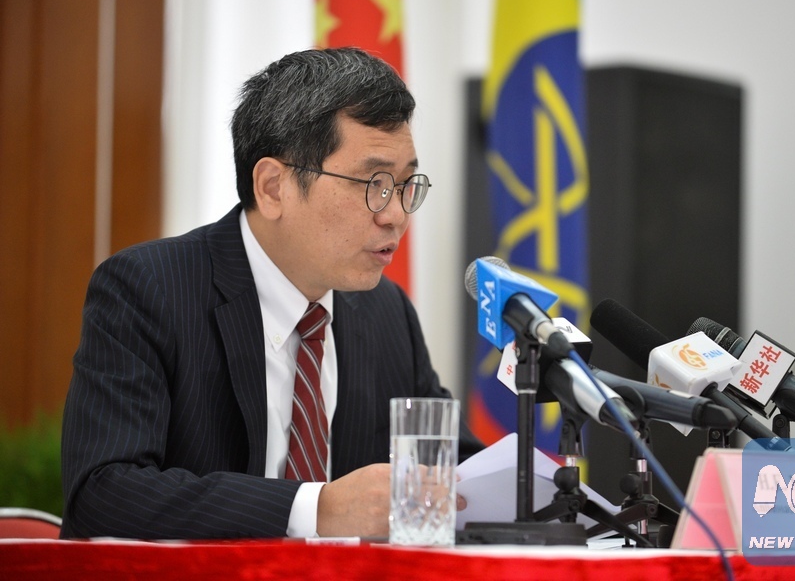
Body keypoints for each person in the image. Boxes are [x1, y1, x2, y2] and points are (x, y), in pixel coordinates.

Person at [60, 47, 483, 539]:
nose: (396, 215)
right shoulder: (149, 289)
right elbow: (104, 491)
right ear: (273, 187)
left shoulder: (385, 311)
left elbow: (457, 470)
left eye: (407, 184)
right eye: (374, 183)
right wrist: (317, 509)